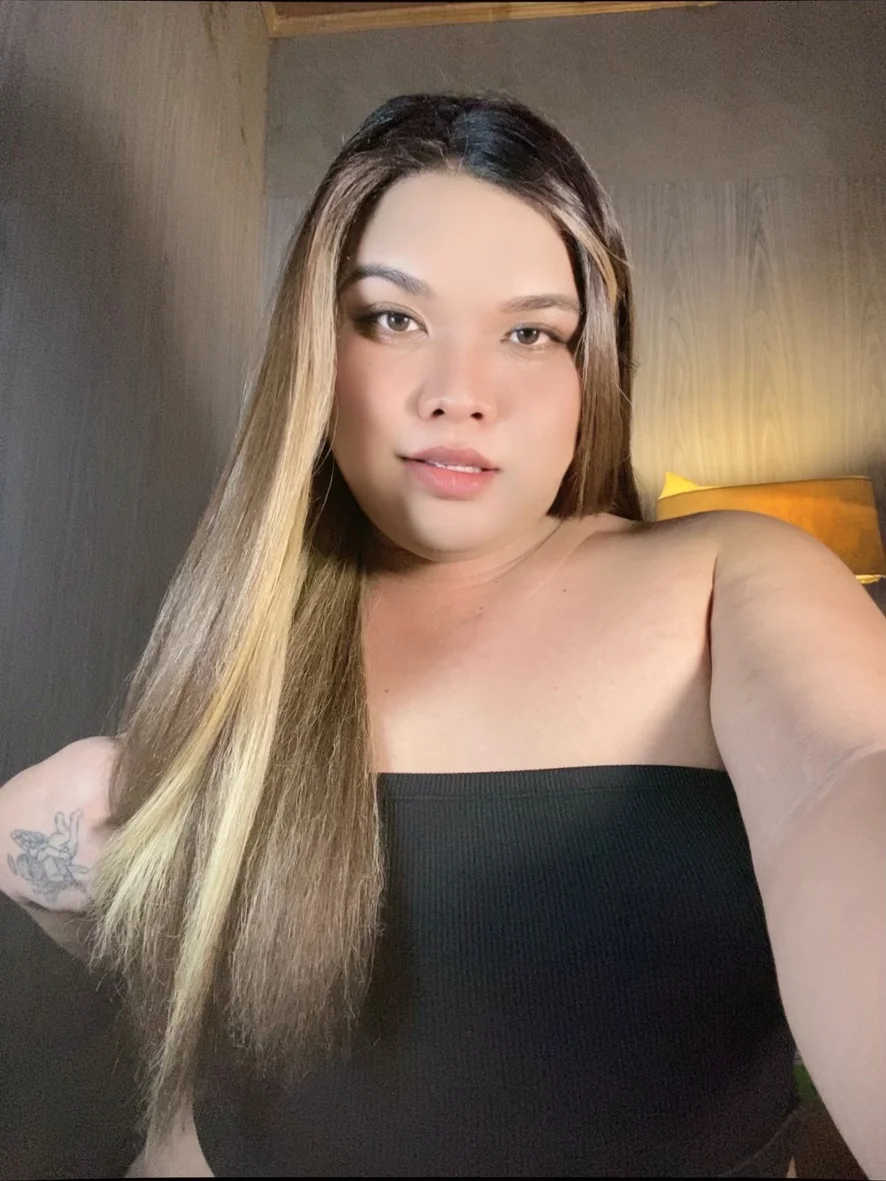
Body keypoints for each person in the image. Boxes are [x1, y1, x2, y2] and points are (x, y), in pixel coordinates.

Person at [1, 91, 819, 1177]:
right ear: (316, 347)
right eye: (392, 318)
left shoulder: (726, 578)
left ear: (592, 366)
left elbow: (855, 773)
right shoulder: (247, 660)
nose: (458, 394)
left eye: (529, 332)